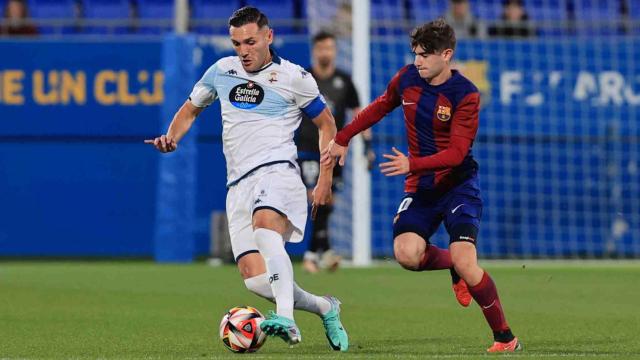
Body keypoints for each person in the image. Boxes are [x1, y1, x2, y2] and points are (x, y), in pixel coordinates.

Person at [145, 6, 348, 351]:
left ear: (268, 37)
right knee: (255, 278)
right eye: (237, 43)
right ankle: (325, 307)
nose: (244, 50)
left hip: (278, 170)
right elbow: (190, 108)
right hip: (237, 184)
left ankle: (286, 318)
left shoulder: (294, 77)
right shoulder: (222, 70)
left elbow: (327, 124)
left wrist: (325, 177)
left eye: (250, 42)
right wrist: (172, 136)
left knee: (266, 228)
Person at [321, 19, 522, 353]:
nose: (418, 61)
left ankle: (505, 337)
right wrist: (343, 138)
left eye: (425, 55)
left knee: (467, 261)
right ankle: (453, 268)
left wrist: (411, 163)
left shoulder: (466, 95)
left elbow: (457, 154)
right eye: (415, 53)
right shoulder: (407, 78)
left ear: (447, 55)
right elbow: (379, 106)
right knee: (406, 253)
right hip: (421, 186)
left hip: (459, 185)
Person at [296, 30, 363, 274]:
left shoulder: (344, 81)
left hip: (334, 150)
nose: (326, 52)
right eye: (322, 48)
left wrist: (367, 147)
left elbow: (359, 113)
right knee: (316, 196)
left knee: (329, 200)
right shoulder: (303, 78)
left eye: (330, 48)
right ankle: (313, 254)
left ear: (335, 51)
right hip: (307, 148)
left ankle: (322, 250)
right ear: (315, 51)